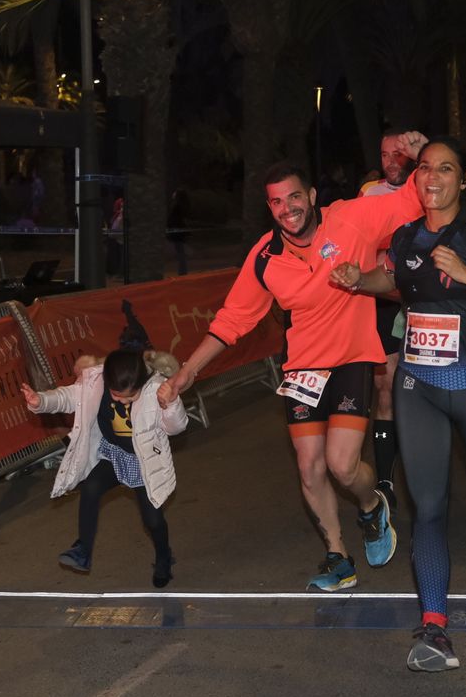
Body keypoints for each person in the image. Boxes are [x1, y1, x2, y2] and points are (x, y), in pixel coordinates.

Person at [161, 152, 427, 590]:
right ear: (270, 209)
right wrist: (187, 372)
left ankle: (370, 505)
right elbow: (233, 319)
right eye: (277, 202)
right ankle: (337, 555)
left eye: (295, 197)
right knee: (309, 468)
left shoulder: (352, 219)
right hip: (304, 368)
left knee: (343, 466)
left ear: (313, 196)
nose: (288, 209)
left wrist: (420, 154)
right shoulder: (264, 257)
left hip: (352, 358)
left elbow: (413, 198)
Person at [333, 137, 466, 672]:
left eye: (446, 169)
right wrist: (361, 281)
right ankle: (434, 629)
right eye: (425, 168)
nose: (433, 177)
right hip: (420, 386)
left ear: (463, 179)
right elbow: (396, 281)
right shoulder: (406, 236)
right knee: (429, 507)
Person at [24, 342, 186, 589]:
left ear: (142, 384)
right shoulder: (95, 384)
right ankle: (83, 550)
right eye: (116, 394)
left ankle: (163, 557)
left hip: (144, 462)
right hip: (113, 454)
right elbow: (68, 397)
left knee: (153, 521)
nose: (122, 401)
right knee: (90, 488)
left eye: (130, 396)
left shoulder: (156, 390)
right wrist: (40, 401)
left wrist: (171, 404)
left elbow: (176, 427)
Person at [357, 129, 429, 507]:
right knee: (385, 390)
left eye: (398, 154)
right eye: (385, 155)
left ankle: (424, 475)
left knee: (419, 392)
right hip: (384, 299)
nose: (391, 162)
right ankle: (385, 480)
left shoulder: (427, 186)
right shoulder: (369, 194)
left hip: (425, 304)